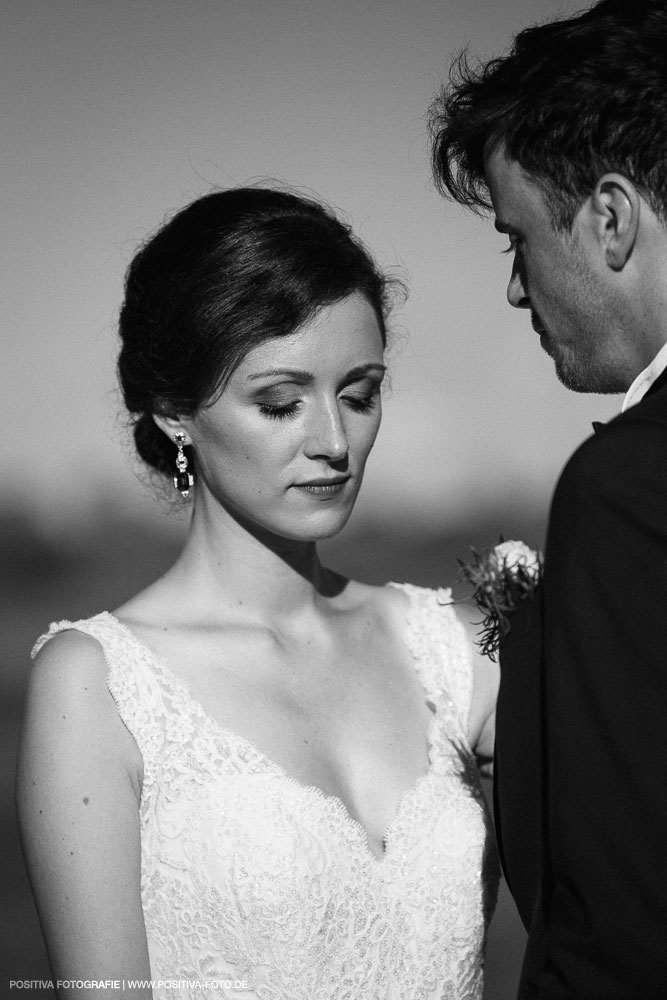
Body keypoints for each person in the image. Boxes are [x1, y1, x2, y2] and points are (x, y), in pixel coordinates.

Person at [16, 186, 499, 1000]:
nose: (334, 442)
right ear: (174, 414)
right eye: (280, 402)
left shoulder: (460, 655)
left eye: (359, 393)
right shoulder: (97, 685)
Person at [428, 1, 667, 997]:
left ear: (608, 219)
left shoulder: (629, 486)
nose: (519, 292)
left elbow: (624, 934)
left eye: (514, 239)